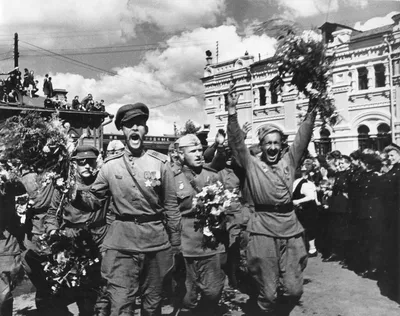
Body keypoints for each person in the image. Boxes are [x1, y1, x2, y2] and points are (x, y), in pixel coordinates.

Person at [73, 102, 181, 316]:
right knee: (121, 305)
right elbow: (93, 200)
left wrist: (175, 245)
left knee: (152, 305)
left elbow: (171, 207)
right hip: (121, 243)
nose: (134, 128)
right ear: (122, 130)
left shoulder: (160, 163)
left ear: (145, 130)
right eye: (129, 125)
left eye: (139, 124)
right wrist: (74, 194)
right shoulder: (110, 166)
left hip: (155, 243)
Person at [226, 83, 314, 315]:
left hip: (290, 227)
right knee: (268, 292)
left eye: (276, 143)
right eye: (268, 143)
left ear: (281, 145)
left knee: (294, 290)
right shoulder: (252, 163)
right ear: (261, 146)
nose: (273, 147)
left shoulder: (290, 161)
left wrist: (312, 107)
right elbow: (236, 143)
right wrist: (232, 112)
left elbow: (303, 138)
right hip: (263, 228)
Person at [44, 145, 108, 316]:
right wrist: (52, 232)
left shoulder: (102, 185)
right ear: (74, 164)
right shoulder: (65, 187)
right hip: (71, 243)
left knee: (98, 294)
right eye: (82, 162)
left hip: (98, 242)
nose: (87, 166)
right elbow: (52, 214)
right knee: (66, 293)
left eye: (91, 162)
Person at [173, 134, 226, 315]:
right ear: (181, 155)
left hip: (210, 243)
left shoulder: (212, 175)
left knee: (213, 291)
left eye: (200, 151)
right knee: (187, 297)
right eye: (193, 151)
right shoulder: (172, 178)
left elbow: (223, 207)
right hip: (186, 245)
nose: (198, 154)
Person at [0, 163, 26, 316]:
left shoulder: (8, 181)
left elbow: (20, 188)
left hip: (5, 248)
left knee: (3, 296)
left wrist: (7, 178)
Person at [383, 143, 400, 301]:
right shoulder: (392, 171)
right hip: (391, 216)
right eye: (388, 156)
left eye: (393, 155)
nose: (390, 158)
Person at [293, 159, 319, 258]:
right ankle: (304, 248)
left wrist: (297, 201)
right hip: (302, 209)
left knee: (309, 228)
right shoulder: (296, 182)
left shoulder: (306, 184)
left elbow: (311, 197)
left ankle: (312, 249)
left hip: (308, 209)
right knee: (304, 228)